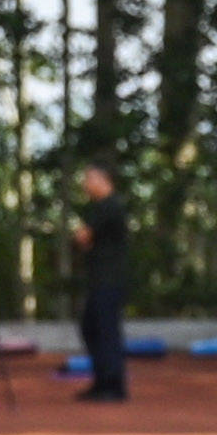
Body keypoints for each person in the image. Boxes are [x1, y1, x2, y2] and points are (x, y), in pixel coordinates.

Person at [70, 159, 133, 398]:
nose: (85, 184)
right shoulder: (102, 207)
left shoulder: (109, 206)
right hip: (101, 279)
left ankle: (113, 385)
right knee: (92, 328)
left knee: (106, 331)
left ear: (102, 179)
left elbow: (83, 237)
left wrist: (83, 238)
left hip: (110, 280)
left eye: (89, 178)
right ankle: (102, 381)